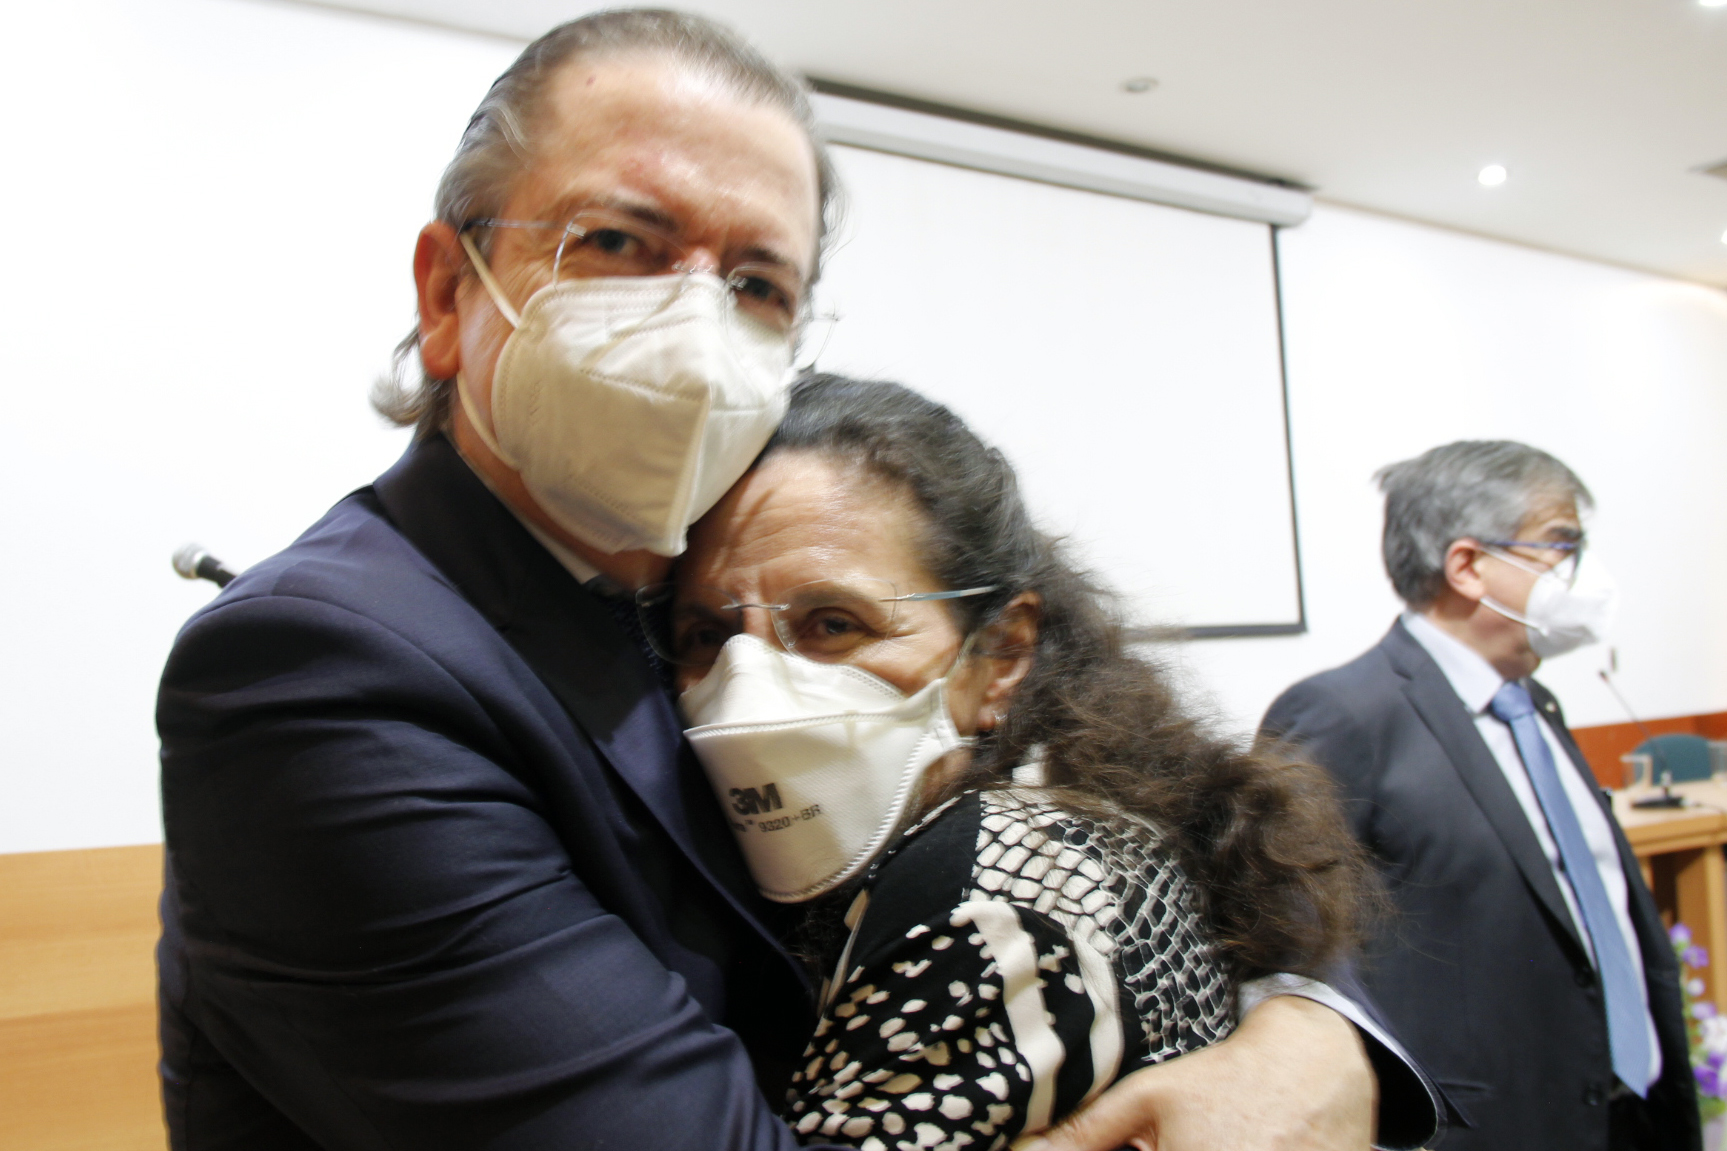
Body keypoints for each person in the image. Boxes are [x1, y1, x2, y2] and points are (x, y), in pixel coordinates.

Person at [156, 10, 1432, 1150]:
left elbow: (1158, 841)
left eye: (755, 283)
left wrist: (1310, 1023)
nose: (692, 328)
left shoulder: (694, 564)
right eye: (619, 239)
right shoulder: (325, 672)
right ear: (447, 292)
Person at [655, 373, 1421, 1150]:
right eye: (708, 635)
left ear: (1000, 653)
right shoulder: (1069, 807)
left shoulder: (993, 902)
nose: (749, 693)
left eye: (832, 623)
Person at [1261, 441, 1699, 1151]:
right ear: (1467, 565)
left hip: (1628, 1112)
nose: (1581, 574)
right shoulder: (1343, 715)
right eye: (1560, 545)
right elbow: (1294, 945)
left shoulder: (1535, 705)